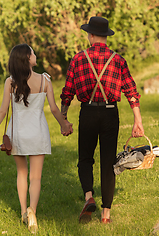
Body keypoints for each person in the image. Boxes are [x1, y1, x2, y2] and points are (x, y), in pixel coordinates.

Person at [60, 16, 144, 224]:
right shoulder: (118, 60)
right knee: (108, 163)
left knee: (85, 159)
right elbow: (131, 91)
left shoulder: (78, 59)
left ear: (90, 35)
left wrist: (63, 117)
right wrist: (137, 120)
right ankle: (106, 216)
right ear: (106, 36)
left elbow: (67, 92)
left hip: (87, 113)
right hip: (109, 113)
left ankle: (89, 197)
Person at [0, 43, 72, 233]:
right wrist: (64, 124)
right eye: (32, 52)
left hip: (18, 134)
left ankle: (24, 212)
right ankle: (33, 210)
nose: (35, 54)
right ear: (27, 58)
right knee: (36, 177)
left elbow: (2, 111)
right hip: (38, 132)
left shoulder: (10, 82)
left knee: (22, 174)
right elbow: (54, 109)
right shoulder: (44, 80)